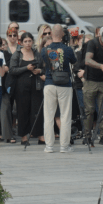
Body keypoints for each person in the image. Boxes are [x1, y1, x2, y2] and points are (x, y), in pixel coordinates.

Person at [41, 25, 77, 153]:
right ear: (62, 34)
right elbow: (74, 61)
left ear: (51, 33)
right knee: (65, 116)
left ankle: (49, 146)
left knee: (49, 116)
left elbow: (43, 61)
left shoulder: (45, 50)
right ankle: (64, 146)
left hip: (49, 83)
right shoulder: (67, 49)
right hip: (64, 84)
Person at [10, 32, 44, 146]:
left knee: (37, 110)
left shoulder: (36, 53)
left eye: (30, 41)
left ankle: (40, 135)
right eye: (25, 41)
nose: (28, 43)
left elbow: (43, 67)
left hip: (36, 84)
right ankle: (24, 136)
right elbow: (12, 70)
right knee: (22, 111)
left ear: (32, 42)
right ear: (21, 42)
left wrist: (38, 71)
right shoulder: (17, 54)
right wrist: (26, 68)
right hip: (21, 86)